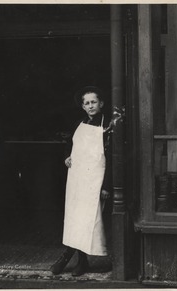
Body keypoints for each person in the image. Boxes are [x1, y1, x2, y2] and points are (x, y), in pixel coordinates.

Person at [50, 86, 112, 277]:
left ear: (101, 103)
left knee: (89, 220)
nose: (91, 106)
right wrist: (67, 156)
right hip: (78, 179)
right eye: (87, 103)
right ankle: (81, 262)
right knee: (77, 220)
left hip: (97, 180)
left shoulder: (108, 124)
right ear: (83, 107)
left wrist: (106, 185)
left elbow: (113, 156)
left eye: (94, 102)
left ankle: (68, 258)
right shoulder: (80, 123)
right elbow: (71, 143)